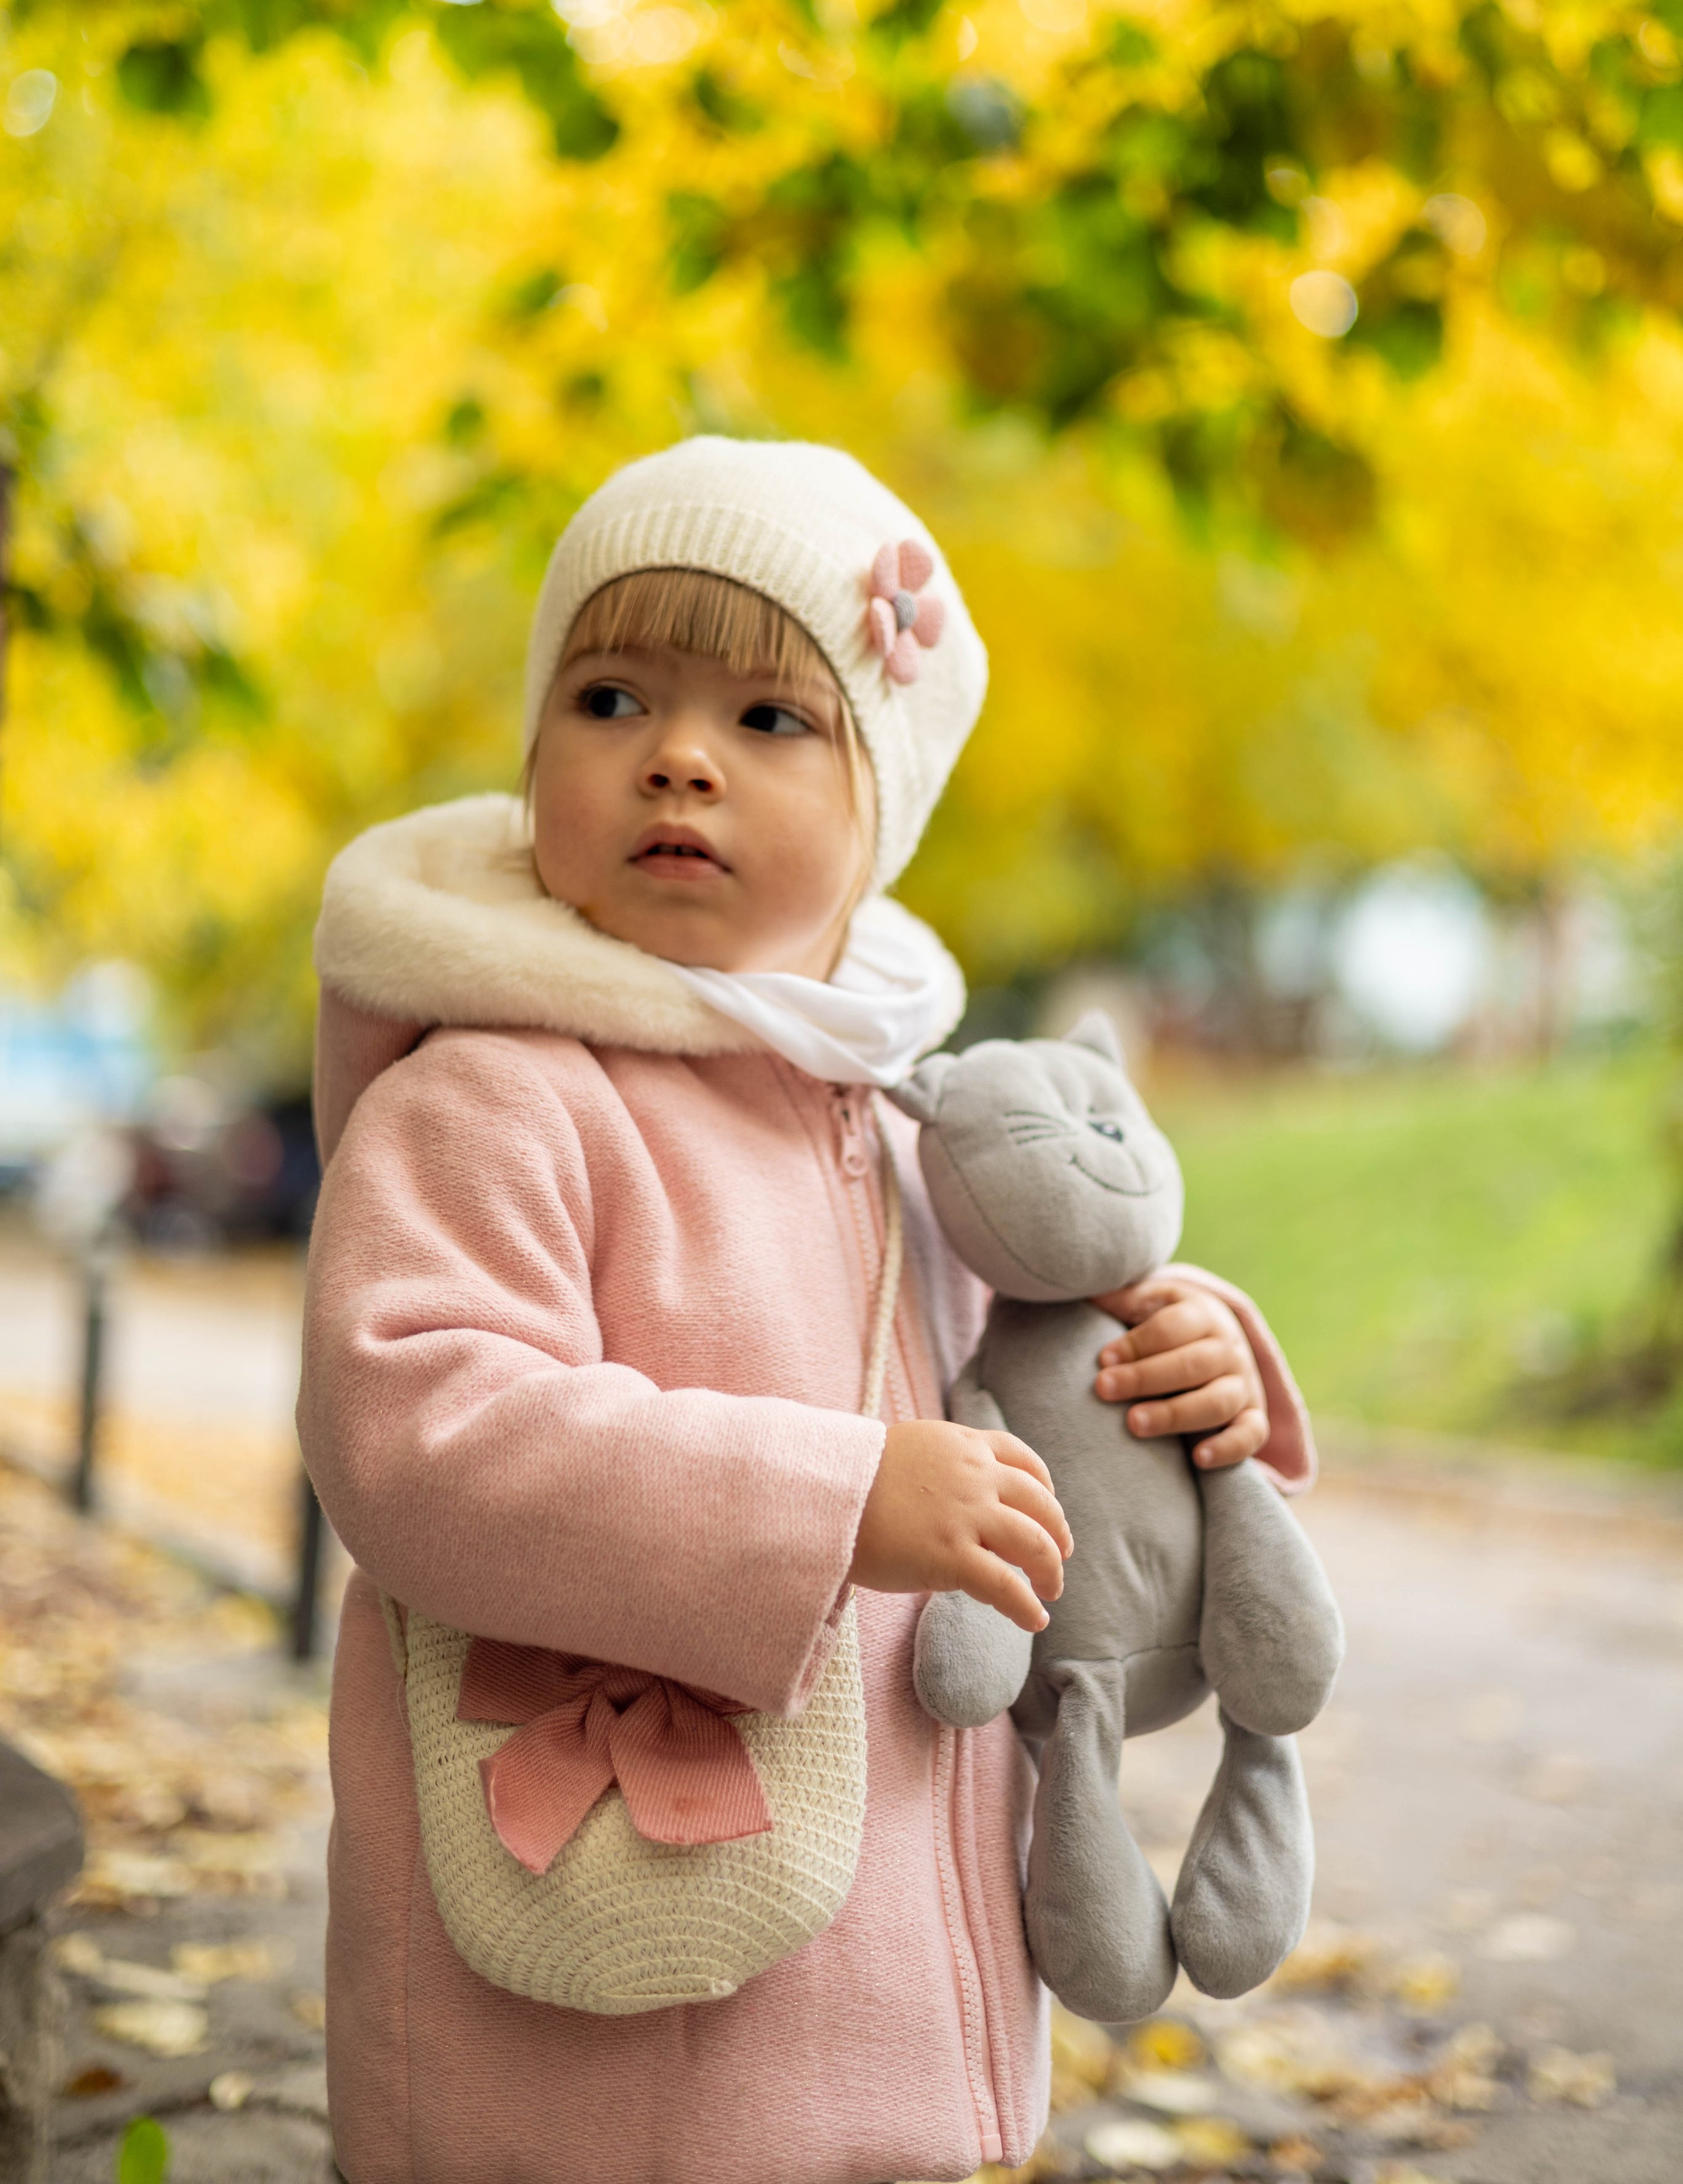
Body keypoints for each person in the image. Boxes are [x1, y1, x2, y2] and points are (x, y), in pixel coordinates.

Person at [298, 436, 1316, 2184]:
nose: (680, 757)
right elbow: (414, 1427)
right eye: (613, 697)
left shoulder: (898, 1115)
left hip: (904, 2013)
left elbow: (1033, 1357)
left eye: (771, 721)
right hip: (594, 2057)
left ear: (879, 819)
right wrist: (836, 1500)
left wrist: (1196, 1361)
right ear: (535, 758)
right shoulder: (496, 1096)